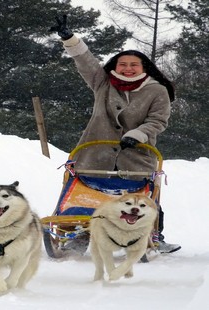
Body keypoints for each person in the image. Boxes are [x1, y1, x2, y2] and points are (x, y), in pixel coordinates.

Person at [50, 15, 181, 253]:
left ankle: (153, 235)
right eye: (123, 65)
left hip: (136, 159)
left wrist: (139, 134)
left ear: (144, 68)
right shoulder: (103, 83)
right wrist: (70, 39)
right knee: (85, 196)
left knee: (143, 199)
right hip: (94, 156)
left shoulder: (157, 91)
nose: (128, 69)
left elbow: (158, 120)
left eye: (134, 65)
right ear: (114, 66)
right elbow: (86, 62)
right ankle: (78, 233)